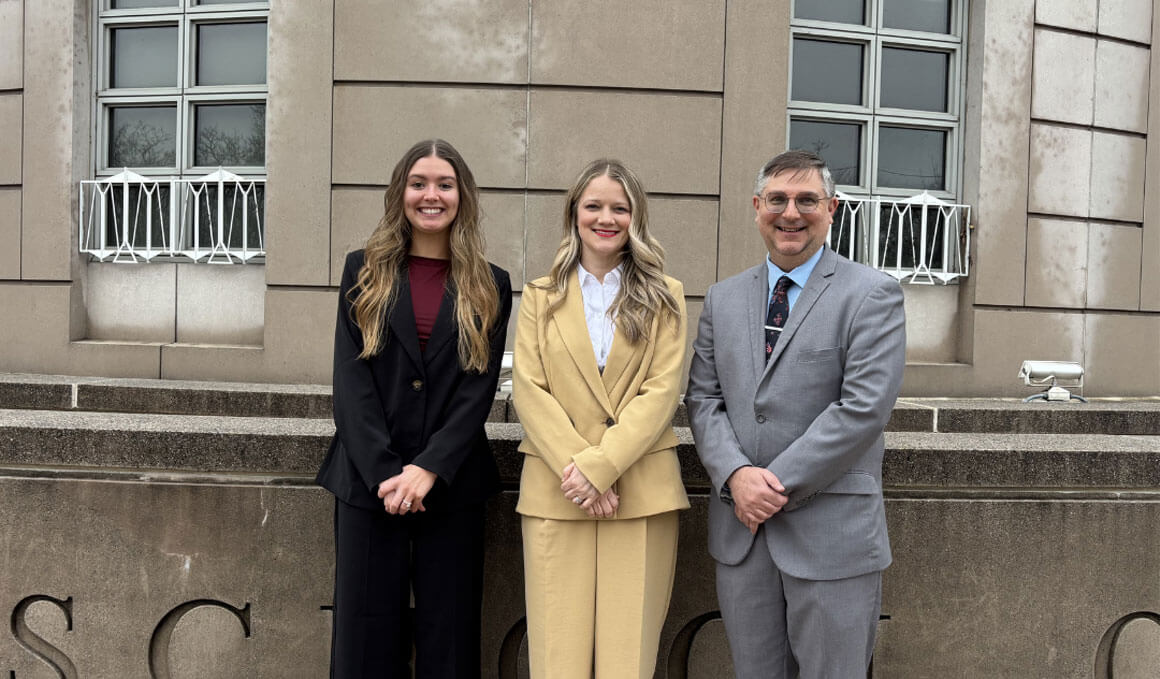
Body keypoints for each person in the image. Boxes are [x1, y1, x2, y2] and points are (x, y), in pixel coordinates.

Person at [685, 149, 906, 678]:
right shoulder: (722, 299)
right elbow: (703, 399)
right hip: (744, 536)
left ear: (833, 209)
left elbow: (862, 409)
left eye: (807, 200)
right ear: (757, 206)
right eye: (778, 200)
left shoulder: (872, 294)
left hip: (832, 537)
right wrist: (737, 477)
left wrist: (772, 484)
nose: (791, 213)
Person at [316, 139, 512, 679]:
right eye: (419, 183)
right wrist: (387, 474)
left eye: (444, 185)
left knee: (448, 637)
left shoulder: (490, 283)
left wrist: (427, 469)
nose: (432, 195)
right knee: (363, 639)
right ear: (400, 193)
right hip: (366, 482)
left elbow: (479, 390)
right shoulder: (363, 270)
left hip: (450, 485)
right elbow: (351, 381)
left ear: (462, 196)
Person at [512, 159, 689, 679]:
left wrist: (603, 466)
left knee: (627, 660)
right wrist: (582, 471)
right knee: (555, 655)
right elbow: (529, 389)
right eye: (594, 206)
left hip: (640, 490)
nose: (606, 217)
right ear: (574, 213)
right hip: (556, 488)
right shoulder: (540, 297)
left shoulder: (665, 295)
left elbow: (661, 391)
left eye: (620, 207)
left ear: (636, 217)